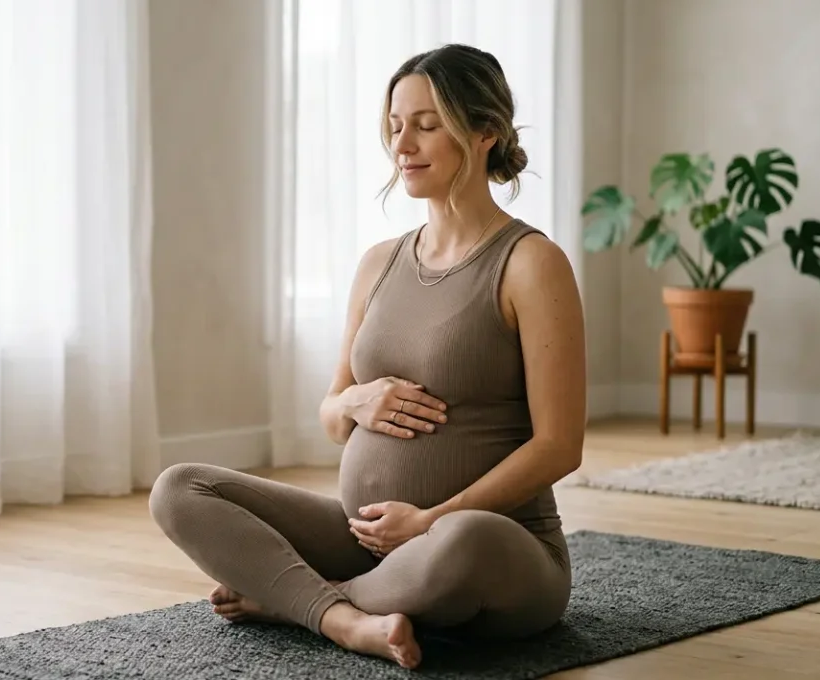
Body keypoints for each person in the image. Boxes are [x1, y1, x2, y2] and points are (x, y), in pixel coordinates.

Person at [148, 43, 587, 670]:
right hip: (367, 539)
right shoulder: (378, 263)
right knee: (179, 487)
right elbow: (332, 418)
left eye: (427, 125)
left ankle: (297, 603)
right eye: (395, 126)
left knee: (462, 540)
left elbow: (559, 446)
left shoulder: (530, 263)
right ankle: (350, 619)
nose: (403, 143)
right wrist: (355, 398)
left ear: (486, 131)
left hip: (493, 550)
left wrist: (430, 519)